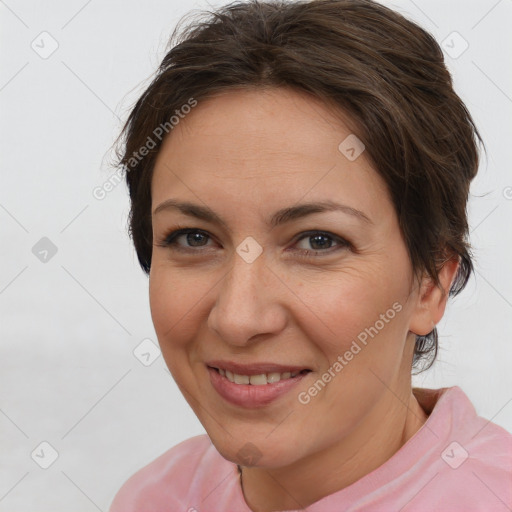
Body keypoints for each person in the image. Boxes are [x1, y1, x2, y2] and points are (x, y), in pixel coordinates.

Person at [109, 0, 512, 510]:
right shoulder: (153, 498)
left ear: (430, 281)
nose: (238, 318)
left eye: (318, 241)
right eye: (193, 238)